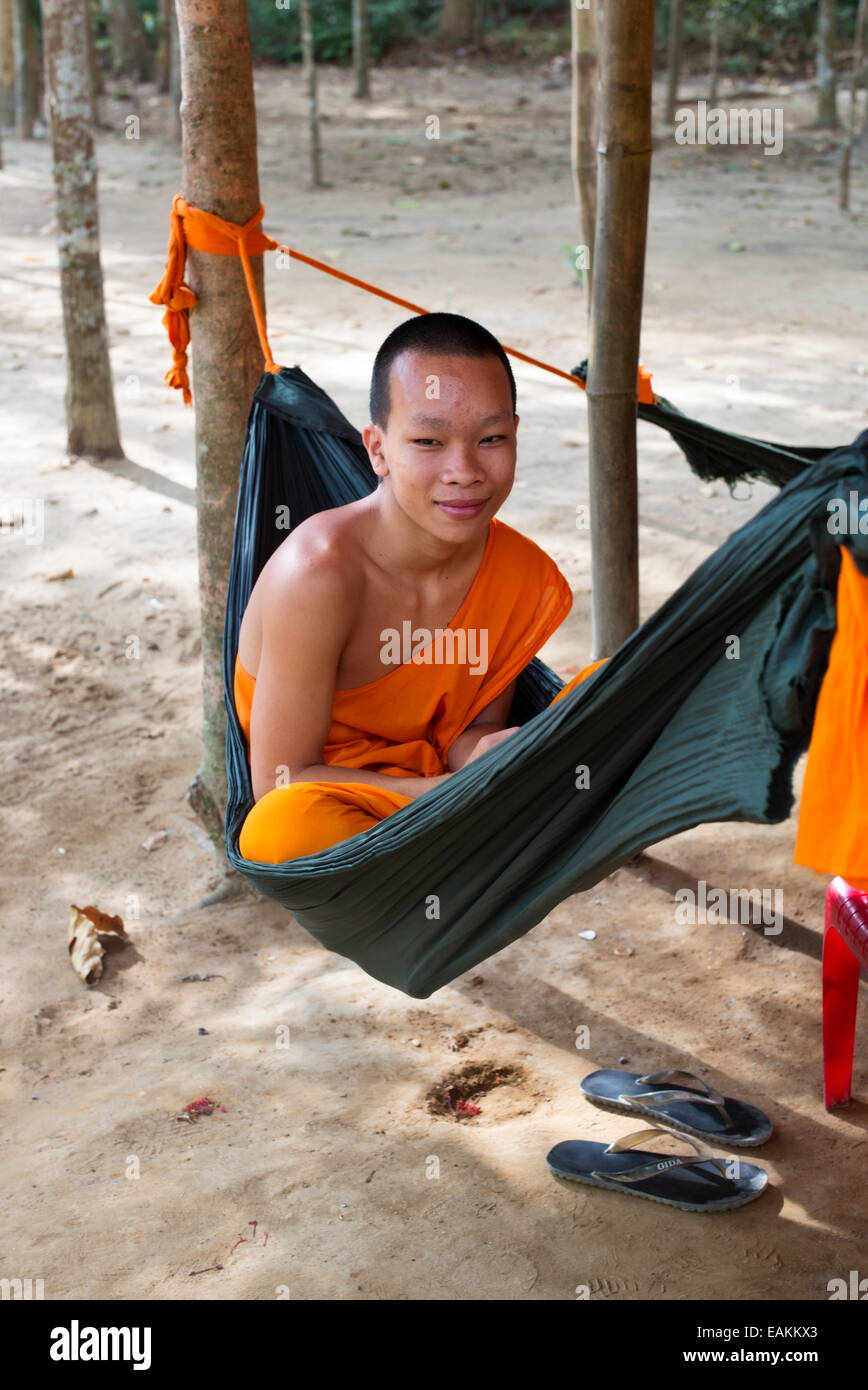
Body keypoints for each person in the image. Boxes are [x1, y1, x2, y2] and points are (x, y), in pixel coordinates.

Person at [234, 313, 603, 863]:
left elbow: (468, 730)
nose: (464, 470)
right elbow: (281, 780)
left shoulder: (518, 571)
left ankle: (513, 845)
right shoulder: (317, 572)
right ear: (377, 449)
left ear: (515, 436)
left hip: (451, 795)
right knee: (279, 830)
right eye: (429, 440)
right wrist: (446, 796)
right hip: (349, 808)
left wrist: (490, 757)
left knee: (613, 689)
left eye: (491, 438)